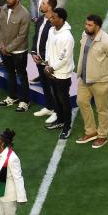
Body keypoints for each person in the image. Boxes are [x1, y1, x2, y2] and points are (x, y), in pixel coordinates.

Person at [74, 14, 108, 149]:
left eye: (90, 25)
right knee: (81, 101)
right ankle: (91, 132)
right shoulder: (85, 36)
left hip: (101, 81)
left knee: (101, 109)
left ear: (97, 26)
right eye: (86, 24)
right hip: (84, 78)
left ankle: (102, 136)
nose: (86, 27)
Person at [43, 8, 75, 139]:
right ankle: (60, 120)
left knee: (64, 100)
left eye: (53, 17)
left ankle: (67, 127)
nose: (51, 19)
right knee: (56, 98)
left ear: (61, 19)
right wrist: (46, 63)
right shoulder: (52, 30)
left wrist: (52, 68)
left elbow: (64, 57)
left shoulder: (67, 37)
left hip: (62, 74)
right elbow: (48, 47)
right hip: (51, 72)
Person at [0, 0, 31, 112]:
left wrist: (8, 48)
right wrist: (1, 45)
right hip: (4, 49)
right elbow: (0, 28)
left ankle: (25, 101)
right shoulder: (4, 9)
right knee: (10, 73)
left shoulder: (25, 14)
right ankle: (12, 96)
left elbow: (22, 36)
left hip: (18, 52)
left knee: (21, 76)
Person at [31, 0, 58, 123]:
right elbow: (36, 37)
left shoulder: (54, 22)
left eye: (43, 3)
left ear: (50, 7)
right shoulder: (41, 19)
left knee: (54, 87)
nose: (40, 5)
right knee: (44, 84)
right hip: (39, 59)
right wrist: (33, 52)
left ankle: (57, 111)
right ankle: (49, 107)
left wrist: (46, 59)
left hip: (49, 62)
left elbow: (55, 44)